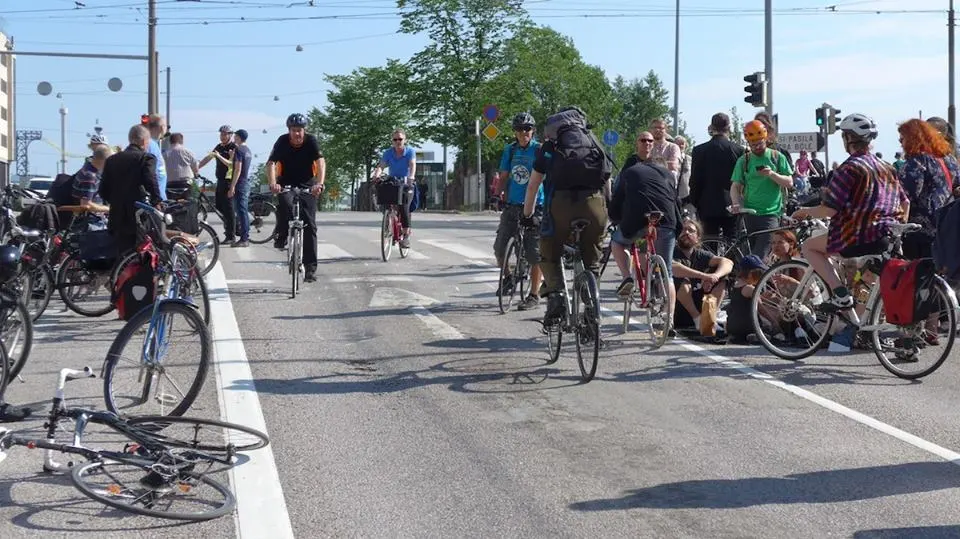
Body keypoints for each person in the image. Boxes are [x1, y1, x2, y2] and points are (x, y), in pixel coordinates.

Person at [792, 113, 910, 351]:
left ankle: (840, 294)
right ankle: (889, 334)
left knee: (810, 247)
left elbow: (830, 209)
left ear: (848, 139)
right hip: (886, 237)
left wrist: (803, 212)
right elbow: (905, 203)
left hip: (855, 237)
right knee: (878, 284)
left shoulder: (849, 168)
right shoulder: (887, 167)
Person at [523, 106, 611, 324]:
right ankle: (591, 310)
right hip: (594, 205)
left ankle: (556, 298)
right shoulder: (593, 142)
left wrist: (527, 215)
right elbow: (607, 181)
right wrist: (610, 212)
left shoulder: (549, 147)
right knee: (592, 259)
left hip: (560, 205)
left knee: (549, 249)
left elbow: (533, 186)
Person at [608, 131, 682, 327]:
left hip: (637, 220)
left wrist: (614, 218)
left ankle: (627, 277)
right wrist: (678, 227)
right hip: (666, 221)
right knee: (667, 271)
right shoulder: (667, 174)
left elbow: (617, 197)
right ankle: (669, 319)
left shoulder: (630, 171)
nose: (647, 143)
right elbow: (675, 202)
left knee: (618, 242)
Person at [492, 112, 543, 311]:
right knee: (499, 248)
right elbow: (504, 176)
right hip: (513, 205)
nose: (523, 133)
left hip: (534, 207)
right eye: (519, 130)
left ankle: (534, 294)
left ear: (533, 131)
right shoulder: (510, 150)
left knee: (534, 254)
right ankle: (509, 277)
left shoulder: (539, 150)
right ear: (514, 132)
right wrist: (497, 195)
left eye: (527, 129)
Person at [267, 113, 325, 283]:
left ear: (304, 130)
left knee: (310, 226)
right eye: (294, 130)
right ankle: (282, 235)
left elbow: (321, 162)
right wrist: (273, 183)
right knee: (284, 205)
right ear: (289, 130)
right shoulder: (282, 141)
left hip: (308, 185)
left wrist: (319, 184)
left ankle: (310, 270)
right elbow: (270, 164)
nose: (297, 134)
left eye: (300, 130)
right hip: (286, 183)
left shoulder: (311, 141)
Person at [730, 120, 794, 257]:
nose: (756, 147)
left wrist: (771, 174)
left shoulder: (777, 157)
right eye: (752, 145)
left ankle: (757, 277)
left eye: (759, 143)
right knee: (747, 256)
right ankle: (755, 278)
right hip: (749, 214)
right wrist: (735, 203)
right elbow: (735, 186)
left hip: (770, 215)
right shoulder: (744, 160)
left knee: (759, 256)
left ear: (766, 139)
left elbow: (789, 182)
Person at [897, 119, 958, 259]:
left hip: (920, 231)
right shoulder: (950, 160)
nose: (901, 143)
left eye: (902, 139)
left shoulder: (917, 161)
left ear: (913, 138)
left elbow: (906, 195)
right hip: (945, 226)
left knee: (917, 275)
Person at [98, 125, 163, 255]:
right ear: (144, 141)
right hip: (138, 215)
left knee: (121, 255)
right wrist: (157, 201)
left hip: (116, 216)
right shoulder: (146, 158)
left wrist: (115, 201)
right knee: (141, 253)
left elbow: (102, 190)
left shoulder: (111, 160)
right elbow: (151, 180)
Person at [689, 112, 744, 243]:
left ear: (711, 127)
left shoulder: (699, 150)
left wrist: (695, 201)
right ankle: (731, 263)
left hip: (707, 203)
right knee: (732, 243)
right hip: (731, 203)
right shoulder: (738, 150)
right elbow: (742, 180)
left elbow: (695, 181)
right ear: (729, 128)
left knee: (708, 244)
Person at [671, 218, 733, 332]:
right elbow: (674, 268)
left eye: (691, 230)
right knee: (680, 279)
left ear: (698, 238)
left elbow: (728, 262)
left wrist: (715, 276)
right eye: (683, 230)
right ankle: (698, 319)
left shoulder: (700, 254)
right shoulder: (673, 252)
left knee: (723, 277)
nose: (686, 233)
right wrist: (704, 277)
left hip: (701, 306)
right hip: (680, 311)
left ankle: (708, 319)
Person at [372, 129, 416, 248]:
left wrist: (411, 177)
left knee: (404, 206)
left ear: (404, 140)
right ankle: (389, 222)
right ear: (392, 141)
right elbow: (381, 165)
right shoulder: (388, 153)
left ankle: (406, 236)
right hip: (394, 181)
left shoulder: (410, 152)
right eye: (395, 139)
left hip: (406, 183)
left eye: (400, 139)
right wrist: (376, 175)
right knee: (386, 202)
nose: (398, 141)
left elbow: (412, 165)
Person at [198, 125, 238, 243]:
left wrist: (219, 156)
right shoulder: (219, 147)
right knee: (219, 206)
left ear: (230, 135)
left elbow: (231, 164)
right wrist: (197, 167)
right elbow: (208, 158)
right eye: (221, 134)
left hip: (229, 180)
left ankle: (231, 235)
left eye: (225, 134)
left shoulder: (233, 147)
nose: (223, 136)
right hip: (220, 180)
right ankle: (234, 226)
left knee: (228, 208)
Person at [723, 255, 767, 344]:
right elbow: (761, 309)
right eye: (759, 274)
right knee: (769, 327)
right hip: (748, 326)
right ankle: (756, 335)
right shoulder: (750, 289)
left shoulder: (735, 286)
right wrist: (774, 323)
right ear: (751, 274)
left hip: (732, 326)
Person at [229, 129, 253, 248]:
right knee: (243, 210)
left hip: (240, 183)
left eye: (235, 136)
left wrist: (232, 186)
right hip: (246, 182)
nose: (233, 138)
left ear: (238, 137)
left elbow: (238, 169)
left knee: (241, 211)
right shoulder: (247, 150)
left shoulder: (239, 150)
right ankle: (245, 236)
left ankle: (244, 238)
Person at [142, 114, 169, 201]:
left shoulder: (153, 144)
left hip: (157, 196)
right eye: (166, 126)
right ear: (162, 127)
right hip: (154, 199)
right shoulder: (150, 145)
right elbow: (148, 172)